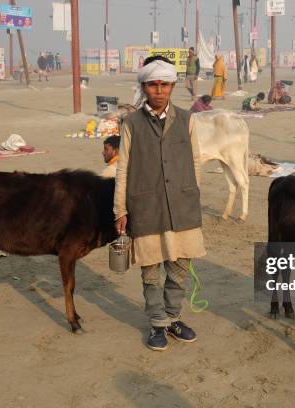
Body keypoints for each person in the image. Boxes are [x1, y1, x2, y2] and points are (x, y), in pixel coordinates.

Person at [115, 56, 205, 351]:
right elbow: (123, 167)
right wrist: (121, 209)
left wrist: (192, 194)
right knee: (151, 271)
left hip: (182, 206)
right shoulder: (131, 123)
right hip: (146, 206)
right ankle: (157, 323)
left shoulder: (187, 119)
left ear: (173, 86)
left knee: (179, 268)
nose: (159, 90)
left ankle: (174, 317)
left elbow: (195, 161)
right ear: (144, 86)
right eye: (153, 84)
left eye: (164, 84)